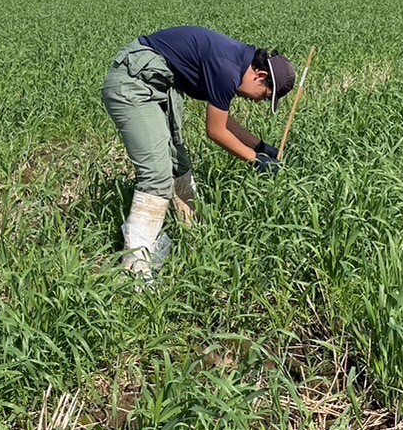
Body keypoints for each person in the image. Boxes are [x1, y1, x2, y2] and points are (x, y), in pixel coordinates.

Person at [101, 26, 295, 282]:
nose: (258, 101)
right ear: (260, 76)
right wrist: (254, 160)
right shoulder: (228, 68)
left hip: (160, 86)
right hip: (134, 83)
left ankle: (193, 237)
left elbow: (225, 120)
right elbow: (215, 131)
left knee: (179, 166)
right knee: (157, 177)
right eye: (264, 95)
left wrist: (260, 147)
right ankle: (135, 271)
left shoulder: (237, 63)